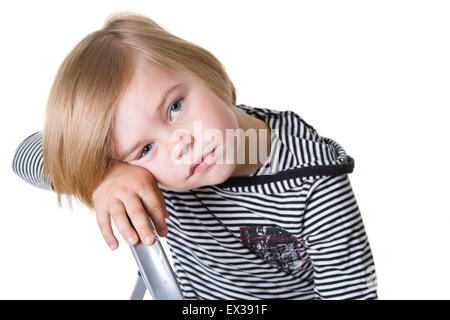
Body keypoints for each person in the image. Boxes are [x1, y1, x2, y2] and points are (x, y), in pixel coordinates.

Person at [11, 12, 377, 299]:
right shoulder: (152, 171)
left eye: (174, 107)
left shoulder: (314, 183)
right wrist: (106, 175)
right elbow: (24, 156)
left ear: (200, 70)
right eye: (146, 147)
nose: (179, 145)